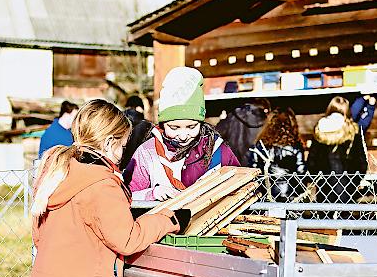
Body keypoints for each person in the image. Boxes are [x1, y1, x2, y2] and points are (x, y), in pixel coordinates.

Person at [28, 99, 183, 277]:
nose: (122, 154)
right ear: (110, 143)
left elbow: (38, 236)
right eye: (123, 146)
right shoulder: (101, 185)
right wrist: (168, 219)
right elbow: (128, 239)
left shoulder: (58, 172)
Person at [125, 67, 240, 201]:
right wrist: (152, 194)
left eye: (191, 126)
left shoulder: (217, 151)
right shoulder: (148, 152)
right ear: (163, 124)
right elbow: (127, 195)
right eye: (174, 127)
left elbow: (239, 186)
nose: (183, 135)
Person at [307, 96, 367, 205]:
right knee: (346, 220)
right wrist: (355, 181)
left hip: (324, 187)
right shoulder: (353, 130)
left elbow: (312, 162)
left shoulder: (319, 129)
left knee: (324, 219)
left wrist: (318, 180)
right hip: (348, 186)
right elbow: (362, 162)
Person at [248, 107, 306, 201]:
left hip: (266, 193)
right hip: (291, 194)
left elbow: (253, 169)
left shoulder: (260, 146)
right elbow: (301, 172)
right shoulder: (295, 146)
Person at [216, 98, 270, 166]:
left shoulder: (232, 117)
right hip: (256, 164)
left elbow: (215, 135)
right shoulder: (267, 121)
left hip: (234, 164)